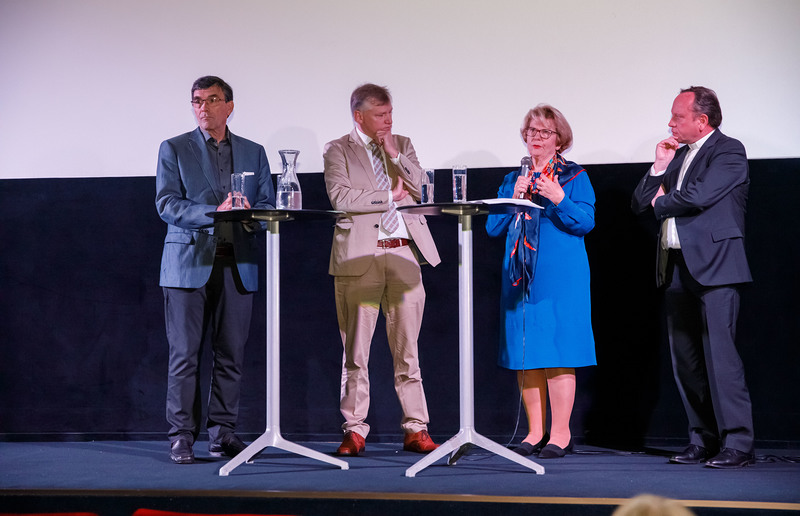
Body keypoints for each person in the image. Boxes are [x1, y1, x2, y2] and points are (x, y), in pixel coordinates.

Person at [632, 86, 755, 469]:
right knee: (686, 362)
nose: (670, 123)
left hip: (716, 265)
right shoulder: (678, 155)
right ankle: (702, 439)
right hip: (676, 267)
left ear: (702, 120)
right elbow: (640, 202)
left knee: (721, 359)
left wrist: (660, 201)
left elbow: (698, 196)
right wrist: (657, 167)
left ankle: (738, 443)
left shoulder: (729, 151)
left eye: (678, 117)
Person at [156, 76, 276, 464]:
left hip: (237, 263)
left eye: (212, 100)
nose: (203, 108)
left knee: (231, 355)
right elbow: (167, 204)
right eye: (196, 101)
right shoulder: (174, 148)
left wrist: (247, 214)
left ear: (230, 106)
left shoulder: (254, 152)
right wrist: (214, 212)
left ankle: (222, 433)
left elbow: (266, 207)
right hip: (188, 264)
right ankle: (181, 436)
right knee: (185, 355)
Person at [323, 83, 441, 456]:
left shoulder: (401, 143)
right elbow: (341, 197)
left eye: (390, 113)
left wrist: (395, 154)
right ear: (359, 116)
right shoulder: (337, 149)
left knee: (408, 351)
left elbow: (422, 191)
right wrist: (390, 195)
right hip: (361, 258)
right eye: (380, 115)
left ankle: (416, 428)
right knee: (356, 352)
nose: (388, 121)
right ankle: (355, 429)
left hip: (404, 254)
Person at [485, 104, 596, 459]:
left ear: (559, 139)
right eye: (530, 131)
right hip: (520, 274)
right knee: (527, 351)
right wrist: (512, 198)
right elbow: (491, 228)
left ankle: (560, 434)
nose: (535, 137)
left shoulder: (574, 176)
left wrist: (558, 197)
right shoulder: (511, 178)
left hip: (560, 273)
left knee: (558, 349)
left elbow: (585, 223)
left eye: (544, 132)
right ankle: (534, 431)